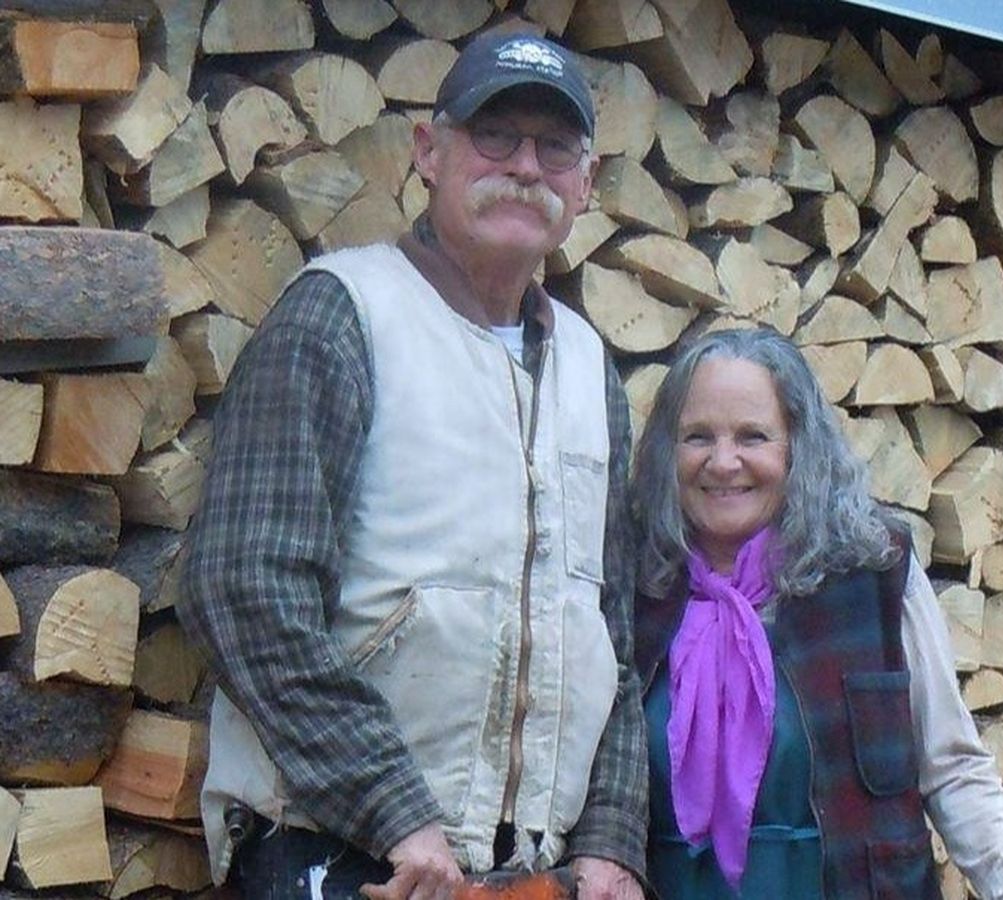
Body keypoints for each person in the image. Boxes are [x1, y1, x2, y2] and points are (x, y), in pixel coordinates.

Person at [177, 31, 646, 900]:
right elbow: (242, 587)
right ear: (429, 152)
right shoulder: (341, 315)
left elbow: (611, 631)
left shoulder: (590, 367)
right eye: (494, 136)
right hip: (342, 853)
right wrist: (393, 809)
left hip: (528, 874)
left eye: (555, 148)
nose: (526, 167)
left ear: (586, 182)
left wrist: (612, 839)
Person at [630, 328, 1003, 900]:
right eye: (697, 436)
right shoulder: (635, 589)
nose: (723, 462)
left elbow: (950, 767)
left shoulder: (875, 574)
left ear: (798, 448)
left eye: (753, 436)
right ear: (666, 451)